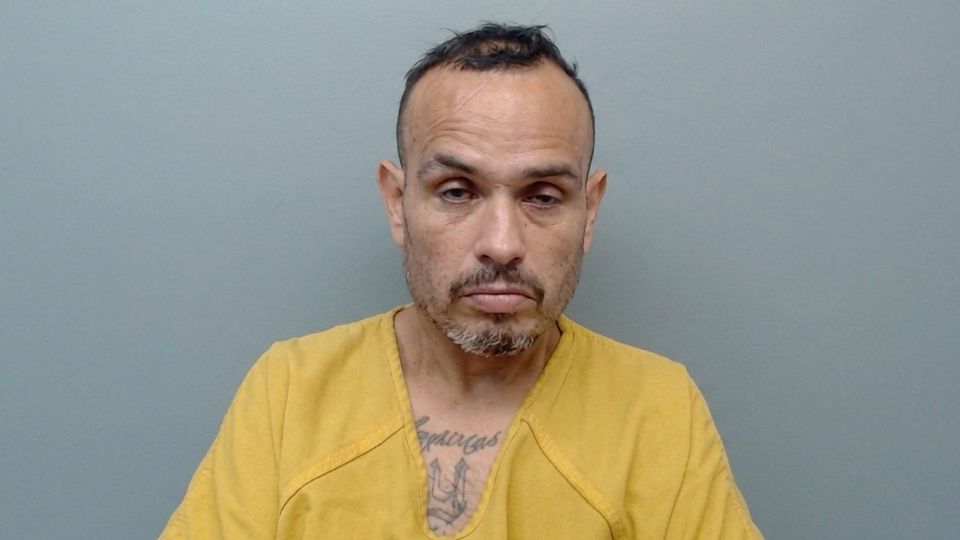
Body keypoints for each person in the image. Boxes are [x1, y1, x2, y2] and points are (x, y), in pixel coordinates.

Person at [161, 23, 762, 539]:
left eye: (543, 196)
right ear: (397, 203)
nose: (502, 243)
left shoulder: (656, 409)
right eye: (456, 192)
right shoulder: (291, 391)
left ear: (590, 211)